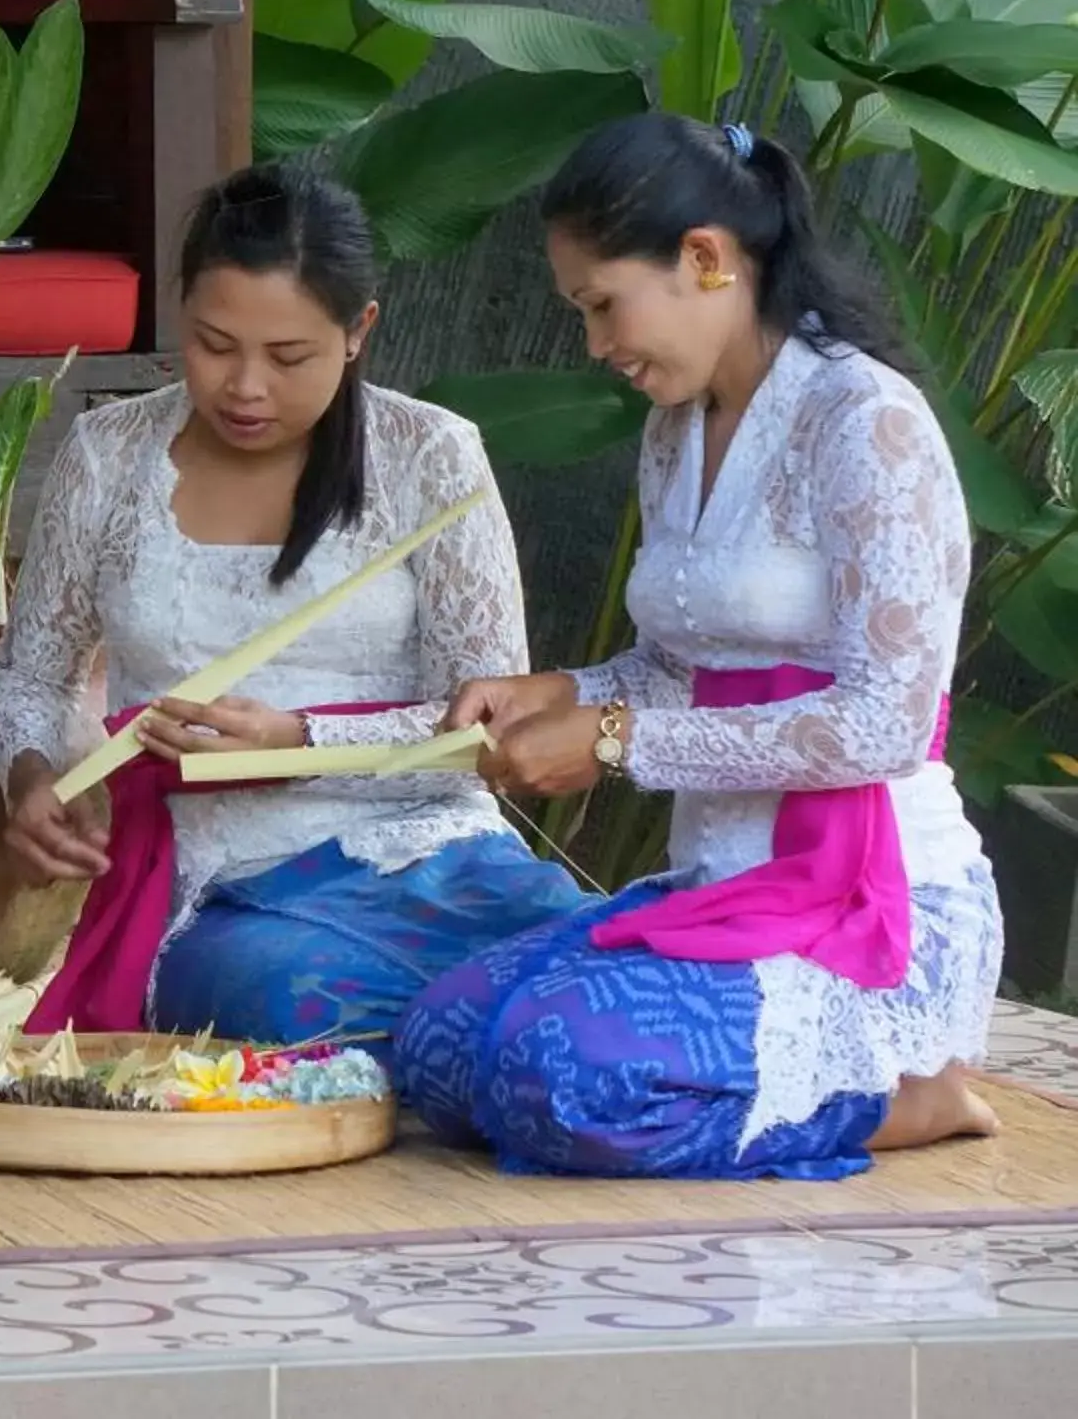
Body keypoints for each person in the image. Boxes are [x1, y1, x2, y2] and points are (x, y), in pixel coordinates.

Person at [396, 114, 1002, 1180]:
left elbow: (885, 723)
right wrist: (552, 693)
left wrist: (620, 740)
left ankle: (910, 1093)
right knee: (439, 1053)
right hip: (719, 879)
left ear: (707, 259)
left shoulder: (867, 422)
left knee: (564, 1080)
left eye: (601, 305)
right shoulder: (675, 428)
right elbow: (676, 675)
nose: (595, 345)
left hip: (872, 899)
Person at [0, 166, 586, 1046]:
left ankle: (491, 1044)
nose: (245, 387)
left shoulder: (432, 457)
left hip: (430, 856)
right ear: (181, 309)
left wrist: (297, 743)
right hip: (225, 883)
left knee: (585, 945)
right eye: (214, 342)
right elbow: (32, 677)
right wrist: (32, 777)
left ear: (358, 332)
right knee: (290, 997)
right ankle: (500, 1046)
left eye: (288, 356)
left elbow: (485, 739)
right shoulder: (108, 454)